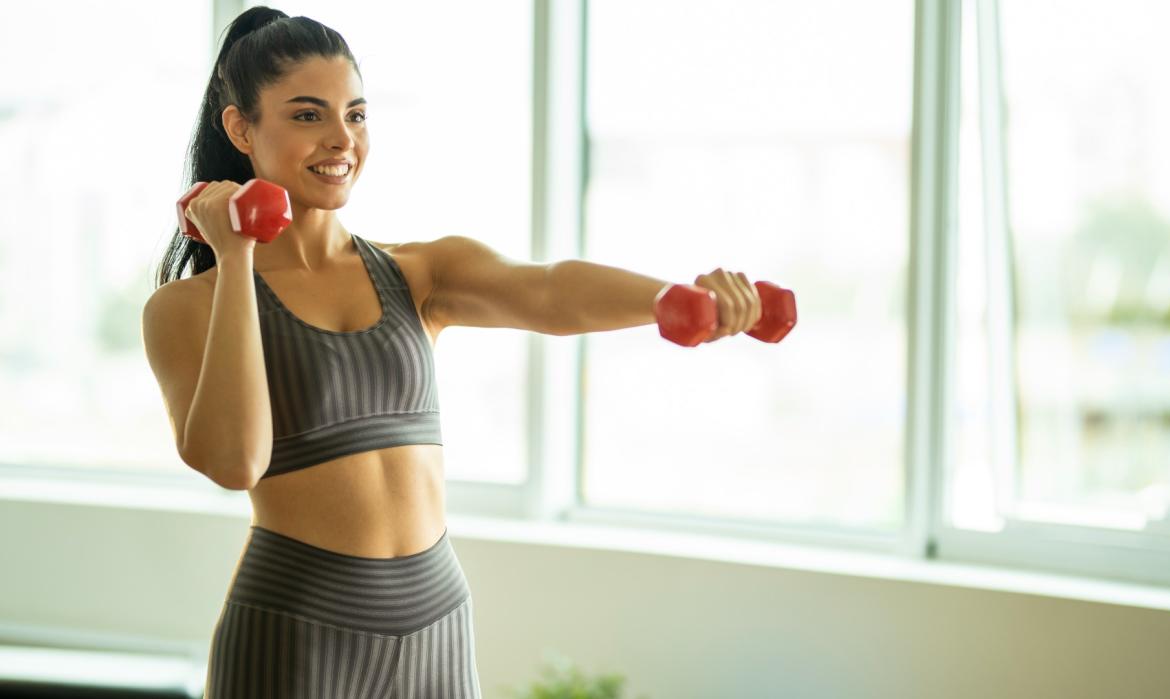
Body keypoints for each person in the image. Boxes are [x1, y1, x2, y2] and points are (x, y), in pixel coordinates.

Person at [141, 6, 763, 697]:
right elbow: (235, 461)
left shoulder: (417, 272)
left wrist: (673, 301)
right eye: (309, 115)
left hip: (438, 622)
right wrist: (233, 257)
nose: (342, 138)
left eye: (357, 114)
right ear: (241, 129)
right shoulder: (187, 307)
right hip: (299, 628)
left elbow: (549, 290)